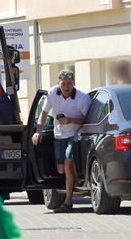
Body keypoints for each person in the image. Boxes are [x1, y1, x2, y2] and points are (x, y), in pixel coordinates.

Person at [32, 69, 91, 212]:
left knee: (68, 162)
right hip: (58, 135)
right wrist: (38, 132)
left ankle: (68, 201)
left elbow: (86, 120)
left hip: (75, 135)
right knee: (61, 169)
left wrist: (69, 120)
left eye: (69, 84)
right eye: (63, 84)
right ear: (58, 83)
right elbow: (44, 113)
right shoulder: (52, 93)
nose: (66, 87)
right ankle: (75, 179)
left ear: (73, 83)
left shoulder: (82, 98)